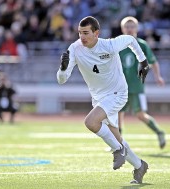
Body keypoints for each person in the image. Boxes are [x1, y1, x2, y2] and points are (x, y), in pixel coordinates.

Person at [57, 16, 149, 184]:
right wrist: (62, 69)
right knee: (116, 137)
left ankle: (117, 150)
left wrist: (143, 61)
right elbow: (61, 80)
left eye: (86, 33)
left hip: (118, 93)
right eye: (79, 33)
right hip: (99, 98)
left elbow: (130, 39)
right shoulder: (75, 49)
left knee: (91, 122)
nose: (82, 37)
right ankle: (139, 165)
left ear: (96, 33)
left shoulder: (109, 45)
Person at [119, 16, 166, 149]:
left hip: (136, 86)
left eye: (132, 26)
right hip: (120, 87)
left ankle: (159, 132)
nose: (129, 29)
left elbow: (153, 61)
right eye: (127, 26)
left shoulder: (142, 44)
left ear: (137, 29)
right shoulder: (118, 44)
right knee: (117, 113)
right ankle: (118, 142)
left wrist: (158, 76)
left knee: (140, 115)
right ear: (123, 29)